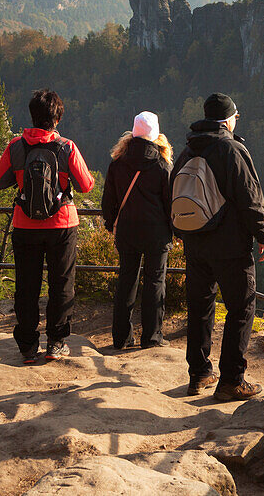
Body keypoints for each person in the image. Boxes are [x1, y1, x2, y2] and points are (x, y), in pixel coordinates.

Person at [171, 93, 264, 400]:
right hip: (229, 246)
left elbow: (172, 191)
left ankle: (199, 373)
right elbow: (249, 197)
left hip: (195, 244)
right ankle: (231, 381)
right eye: (236, 117)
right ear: (228, 119)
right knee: (241, 308)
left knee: (200, 307)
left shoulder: (188, 150)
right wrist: (263, 234)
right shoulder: (231, 149)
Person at [0, 89, 95, 364]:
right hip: (62, 224)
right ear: (57, 118)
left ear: (33, 116)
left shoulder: (16, 146)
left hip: (25, 225)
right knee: (61, 284)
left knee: (27, 285)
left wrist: (21, 175)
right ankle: (56, 343)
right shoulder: (66, 147)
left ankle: (27, 346)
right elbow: (86, 185)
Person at [101, 111, 174, 350]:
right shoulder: (162, 166)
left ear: (133, 132)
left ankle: (121, 338)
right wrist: (174, 230)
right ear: (156, 135)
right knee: (155, 281)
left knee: (127, 280)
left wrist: (110, 223)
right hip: (156, 233)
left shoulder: (117, 162)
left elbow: (108, 200)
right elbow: (170, 203)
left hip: (127, 231)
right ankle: (151, 338)